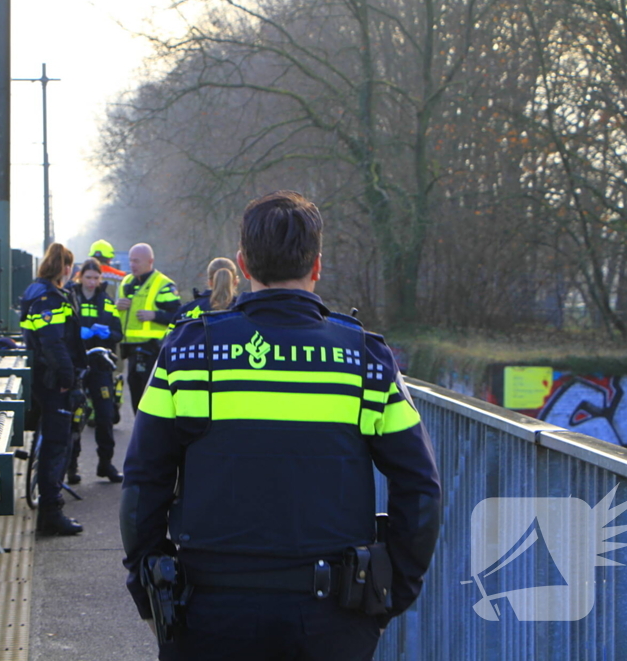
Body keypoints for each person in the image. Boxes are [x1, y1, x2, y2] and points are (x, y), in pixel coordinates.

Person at [119, 191, 441, 660]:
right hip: (333, 614)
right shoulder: (365, 361)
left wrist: (151, 592)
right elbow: (421, 487)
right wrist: (390, 595)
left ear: (242, 263)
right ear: (317, 266)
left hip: (204, 611)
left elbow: (143, 481)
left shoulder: (188, 354)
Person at [19, 243, 87, 537]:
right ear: (66, 268)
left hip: (39, 376)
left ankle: (50, 508)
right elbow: (52, 341)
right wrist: (67, 375)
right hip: (52, 380)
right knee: (57, 445)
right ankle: (51, 512)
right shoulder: (50, 298)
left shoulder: (35, 292)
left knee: (53, 442)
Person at [68, 258, 125, 484]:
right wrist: (77, 333)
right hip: (76, 363)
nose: (92, 282)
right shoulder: (71, 297)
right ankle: (71, 466)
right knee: (74, 416)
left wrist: (107, 335)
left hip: (100, 363)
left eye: (96, 278)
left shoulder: (106, 301)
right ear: (80, 276)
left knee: (105, 414)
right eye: (88, 277)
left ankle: (106, 464)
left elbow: (118, 333)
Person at [115, 243, 180, 414]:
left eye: (136, 261)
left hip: (153, 349)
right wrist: (118, 306)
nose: (132, 265)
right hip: (130, 349)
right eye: (130, 261)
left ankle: (150, 431)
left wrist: (155, 315)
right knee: (135, 391)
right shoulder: (126, 282)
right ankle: (140, 430)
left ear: (150, 261)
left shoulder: (163, 285)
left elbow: (178, 315)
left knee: (150, 395)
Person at [170, 257, 239, 326]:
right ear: (235, 282)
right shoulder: (243, 311)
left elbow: (170, 335)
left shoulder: (187, 311)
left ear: (209, 282)